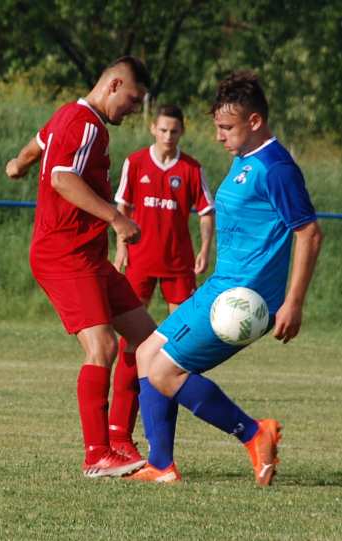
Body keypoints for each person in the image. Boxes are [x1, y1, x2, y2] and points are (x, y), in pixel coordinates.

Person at [127, 70, 323, 485]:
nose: (219, 136)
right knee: (146, 354)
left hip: (242, 300)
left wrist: (293, 302)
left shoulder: (276, 169)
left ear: (255, 122)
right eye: (217, 126)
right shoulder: (244, 161)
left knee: (165, 372)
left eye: (226, 128)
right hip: (219, 286)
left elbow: (309, 233)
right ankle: (161, 465)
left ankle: (255, 434)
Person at [5, 56, 158, 478]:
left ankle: (120, 440)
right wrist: (116, 217)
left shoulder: (67, 117)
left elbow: (38, 146)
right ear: (113, 85)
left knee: (147, 342)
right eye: (132, 98)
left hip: (87, 255)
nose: (132, 108)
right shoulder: (86, 123)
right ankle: (96, 455)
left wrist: (17, 164)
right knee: (103, 347)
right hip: (64, 253)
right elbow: (60, 177)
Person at [109, 105, 214, 450]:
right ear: (153, 128)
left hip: (178, 266)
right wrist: (121, 249)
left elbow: (206, 213)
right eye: (163, 130)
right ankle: (120, 433)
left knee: (178, 349)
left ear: (181, 132)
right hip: (139, 262)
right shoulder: (136, 162)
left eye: (175, 131)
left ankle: (162, 443)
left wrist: (205, 250)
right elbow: (121, 208)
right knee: (131, 346)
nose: (168, 137)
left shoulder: (191, 169)